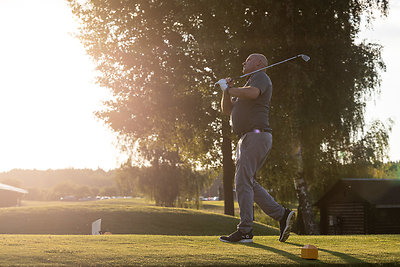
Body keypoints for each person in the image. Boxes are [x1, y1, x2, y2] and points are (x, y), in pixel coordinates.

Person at [219, 53, 295, 243]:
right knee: (248, 182)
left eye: (249, 59)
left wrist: (231, 88)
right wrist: (225, 91)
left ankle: (245, 231)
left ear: (259, 63)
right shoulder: (246, 85)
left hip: (256, 135)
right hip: (248, 138)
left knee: (242, 181)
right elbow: (227, 110)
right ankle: (282, 215)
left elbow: (253, 93)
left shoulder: (260, 77)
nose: (244, 62)